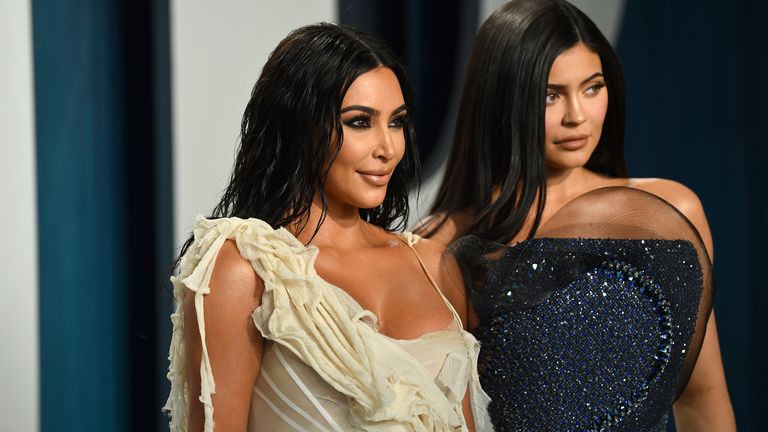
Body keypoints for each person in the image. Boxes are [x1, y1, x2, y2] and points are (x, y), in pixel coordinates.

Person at [418, 1, 736, 430]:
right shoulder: (443, 244)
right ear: (502, 97)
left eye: (592, 88)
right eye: (550, 95)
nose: (577, 116)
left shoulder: (671, 211)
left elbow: (703, 395)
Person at [163, 23, 491, 432]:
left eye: (396, 122)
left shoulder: (433, 264)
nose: (387, 148)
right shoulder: (244, 268)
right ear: (301, 127)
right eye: (359, 122)